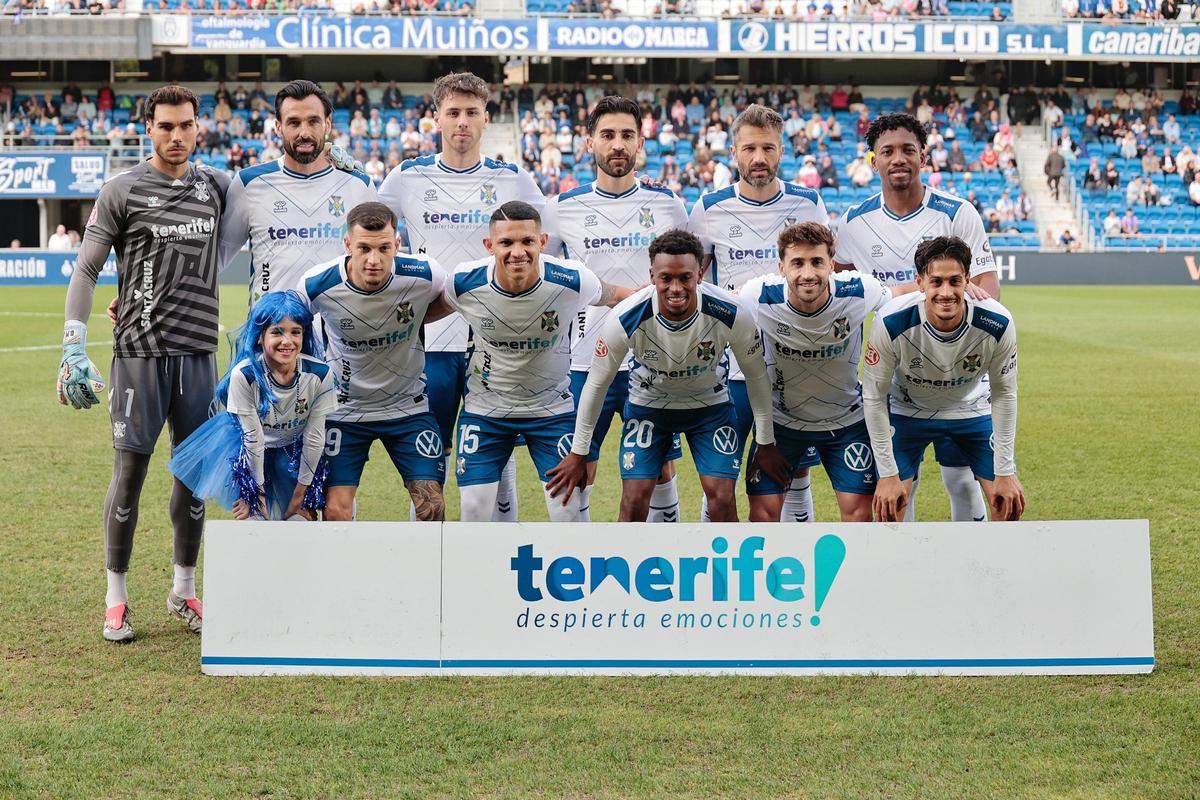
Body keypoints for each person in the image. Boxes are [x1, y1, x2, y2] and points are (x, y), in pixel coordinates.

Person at [57, 85, 231, 643]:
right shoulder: (121, 190)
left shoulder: (218, 186)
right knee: (128, 477)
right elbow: (86, 270)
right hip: (138, 355)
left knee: (194, 478)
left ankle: (184, 587)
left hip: (198, 352)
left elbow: (272, 189)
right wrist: (72, 342)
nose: (176, 136)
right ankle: (116, 597)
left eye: (186, 126)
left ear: (198, 128)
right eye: (165, 127)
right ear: (148, 129)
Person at [378, 72, 545, 523]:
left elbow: (549, 244)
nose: (462, 122)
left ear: (486, 118)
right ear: (436, 119)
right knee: (428, 462)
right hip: (428, 342)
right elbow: (370, 233)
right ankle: (426, 568)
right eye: (453, 113)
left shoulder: (513, 179)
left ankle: (499, 566)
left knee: (498, 458)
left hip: (494, 343)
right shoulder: (407, 177)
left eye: (472, 112)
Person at [547, 229, 789, 522]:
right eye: (666, 279)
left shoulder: (731, 312)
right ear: (652, 276)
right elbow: (597, 385)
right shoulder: (624, 318)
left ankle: (722, 568)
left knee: (722, 499)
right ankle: (632, 567)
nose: (676, 288)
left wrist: (765, 443)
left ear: (700, 274)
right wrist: (578, 451)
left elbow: (756, 377)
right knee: (634, 500)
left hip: (709, 409)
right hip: (649, 408)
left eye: (685, 277)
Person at [833, 112, 1000, 524]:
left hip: (953, 376)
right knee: (897, 489)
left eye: (908, 149)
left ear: (923, 156)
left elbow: (988, 290)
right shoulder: (853, 222)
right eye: (887, 151)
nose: (898, 158)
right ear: (873, 161)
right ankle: (905, 575)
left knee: (960, 481)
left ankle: (971, 570)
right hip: (889, 378)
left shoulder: (957, 213)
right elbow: (840, 297)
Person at [430, 201, 632, 522]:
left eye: (527, 241)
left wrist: (664, 301)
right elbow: (420, 316)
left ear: (542, 242)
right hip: (486, 411)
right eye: (506, 243)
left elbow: (618, 295)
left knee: (568, 513)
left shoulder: (571, 279)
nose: (517, 252)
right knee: (473, 511)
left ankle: (573, 572)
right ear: (489, 246)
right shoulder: (464, 283)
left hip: (551, 411)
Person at [541, 96, 689, 523]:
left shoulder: (668, 206)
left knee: (659, 467)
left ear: (641, 141)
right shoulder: (561, 209)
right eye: (607, 135)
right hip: (586, 362)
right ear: (589, 143)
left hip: (655, 360)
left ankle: (665, 562)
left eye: (627, 135)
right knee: (577, 467)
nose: (617, 144)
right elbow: (546, 282)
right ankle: (578, 563)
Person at [688, 104, 829, 523]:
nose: (759, 158)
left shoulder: (808, 202)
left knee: (796, 473)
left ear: (781, 150)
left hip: (793, 361)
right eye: (749, 148)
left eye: (768, 147)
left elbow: (823, 272)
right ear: (733, 152)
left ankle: (795, 570)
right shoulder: (709, 207)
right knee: (720, 478)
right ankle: (715, 565)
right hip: (730, 367)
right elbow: (696, 282)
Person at [741, 222, 913, 523]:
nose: (807, 273)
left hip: (846, 422)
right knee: (762, 520)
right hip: (782, 423)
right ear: (781, 267)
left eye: (817, 262)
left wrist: (958, 288)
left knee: (860, 518)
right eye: (797, 263)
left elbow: (901, 294)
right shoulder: (758, 296)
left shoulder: (858, 291)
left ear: (832, 265)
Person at [296, 202, 448, 522]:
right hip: (344, 410)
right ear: (348, 245)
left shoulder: (424, 274)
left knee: (432, 507)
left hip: (408, 407)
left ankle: (420, 572)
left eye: (383, 248)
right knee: (335, 511)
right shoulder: (316, 285)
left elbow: (447, 302)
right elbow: (293, 330)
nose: (374, 260)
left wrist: (412, 322)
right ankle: (345, 572)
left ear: (397, 244)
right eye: (363, 248)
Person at [863, 236, 1024, 524]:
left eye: (955, 281)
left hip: (971, 408)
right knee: (891, 504)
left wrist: (1005, 470)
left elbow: (1005, 395)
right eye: (936, 281)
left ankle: (984, 568)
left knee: (1006, 503)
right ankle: (903, 567)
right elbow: (874, 397)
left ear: (968, 280)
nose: (946, 292)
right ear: (920, 282)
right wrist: (887, 475)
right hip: (907, 411)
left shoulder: (998, 322)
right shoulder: (890, 322)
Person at [169, 291, 336, 522]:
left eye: (295, 332)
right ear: (260, 337)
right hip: (251, 450)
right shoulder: (245, 375)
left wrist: (300, 496)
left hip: (293, 451)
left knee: (300, 520)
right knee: (253, 519)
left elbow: (315, 438)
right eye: (277, 332)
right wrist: (257, 495)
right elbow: (253, 439)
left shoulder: (320, 374)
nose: (287, 341)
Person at [220, 80, 376, 306]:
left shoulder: (359, 186)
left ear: (328, 124)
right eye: (293, 122)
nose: (304, 132)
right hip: (273, 336)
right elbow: (218, 258)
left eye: (314, 121)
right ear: (278, 126)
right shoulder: (249, 183)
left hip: (339, 337)